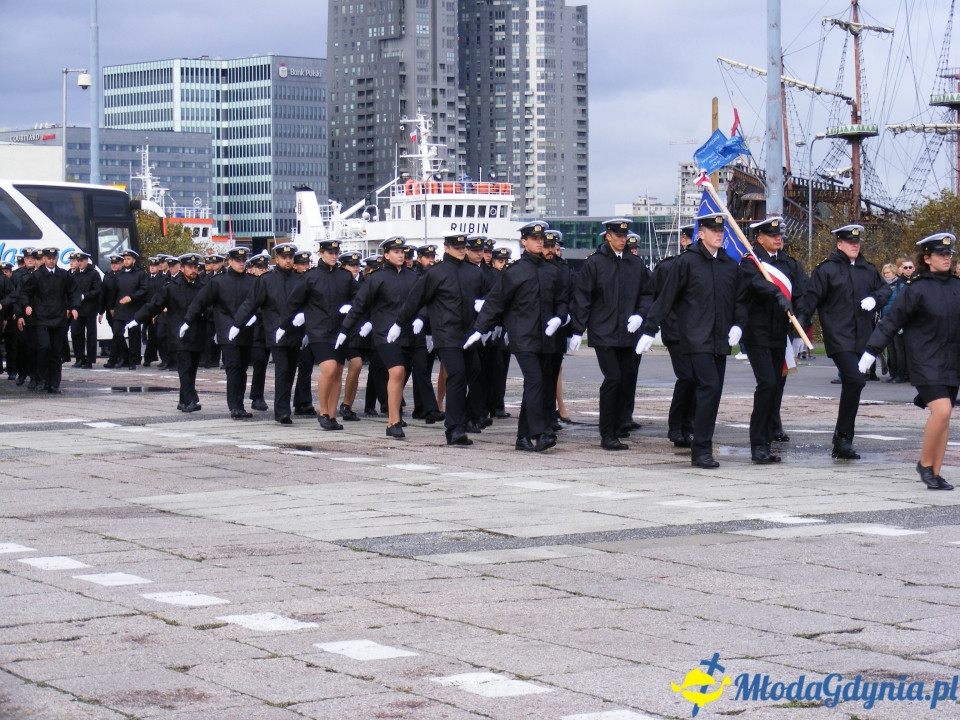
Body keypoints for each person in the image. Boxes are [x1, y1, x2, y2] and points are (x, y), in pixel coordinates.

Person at [636, 211, 740, 468]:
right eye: (713, 231)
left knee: (713, 391)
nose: (719, 235)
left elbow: (739, 299)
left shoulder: (729, 265)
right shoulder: (687, 263)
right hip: (694, 337)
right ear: (700, 234)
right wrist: (650, 329)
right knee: (709, 386)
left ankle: (703, 442)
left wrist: (739, 323)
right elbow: (667, 297)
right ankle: (701, 449)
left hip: (720, 338)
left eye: (721, 231)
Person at [859, 233, 959, 490]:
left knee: (945, 418)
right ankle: (925, 465)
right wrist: (871, 350)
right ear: (927, 258)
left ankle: (936, 473)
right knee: (943, 410)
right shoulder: (916, 289)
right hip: (925, 360)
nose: (947, 258)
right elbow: (892, 320)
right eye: (941, 254)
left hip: (952, 361)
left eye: (949, 254)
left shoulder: (956, 287)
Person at [468, 221, 568, 451]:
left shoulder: (552, 271)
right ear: (524, 241)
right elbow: (495, 302)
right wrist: (479, 329)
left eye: (541, 238)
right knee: (535, 381)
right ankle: (540, 432)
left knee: (538, 384)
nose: (539, 242)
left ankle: (522, 437)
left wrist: (559, 317)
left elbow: (562, 300)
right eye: (534, 238)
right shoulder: (515, 272)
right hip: (523, 337)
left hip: (546, 337)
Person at [803, 224, 891, 459]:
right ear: (839, 244)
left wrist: (875, 298)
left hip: (862, 337)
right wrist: (799, 330)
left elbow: (886, 290)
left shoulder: (867, 269)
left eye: (857, 242)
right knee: (854, 380)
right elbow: (810, 300)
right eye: (850, 242)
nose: (855, 246)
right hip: (838, 336)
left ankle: (842, 439)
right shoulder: (827, 270)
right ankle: (843, 439)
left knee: (856, 382)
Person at [391, 233, 485, 446]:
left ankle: (469, 416)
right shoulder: (437, 273)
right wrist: (399, 323)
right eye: (457, 247)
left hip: (469, 333)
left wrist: (486, 319)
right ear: (447, 247)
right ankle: (454, 428)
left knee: (476, 373)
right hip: (446, 333)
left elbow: (489, 297)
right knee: (458, 375)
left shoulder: (474, 273)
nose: (461, 250)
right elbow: (416, 299)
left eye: (463, 247)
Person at [569, 218, 654, 450]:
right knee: (613, 378)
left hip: (627, 332)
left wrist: (641, 314)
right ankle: (607, 433)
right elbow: (583, 298)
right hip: (603, 331)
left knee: (627, 378)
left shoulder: (635, 264)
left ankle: (618, 424)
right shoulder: (595, 264)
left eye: (625, 236)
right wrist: (578, 330)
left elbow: (647, 293)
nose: (622, 239)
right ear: (608, 236)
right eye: (618, 236)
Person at [734, 216, 808, 464]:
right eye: (772, 235)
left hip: (780, 335)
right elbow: (755, 285)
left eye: (780, 235)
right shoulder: (751, 263)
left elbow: (800, 294)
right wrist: (776, 293)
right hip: (757, 334)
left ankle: (768, 437)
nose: (778, 238)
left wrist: (799, 330)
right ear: (759, 238)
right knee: (766, 384)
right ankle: (758, 445)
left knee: (776, 387)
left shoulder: (790, 264)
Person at [341, 237, 420, 438]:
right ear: (386, 254)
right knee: (396, 371)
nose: (401, 255)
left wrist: (421, 319)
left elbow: (424, 301)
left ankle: (395, 416)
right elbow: (360, 305)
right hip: (385, 334)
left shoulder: (413, 277)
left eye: (403, 251)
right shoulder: (377, 278)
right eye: (396, 251)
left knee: (401, 375)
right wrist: (345, 329)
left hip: (408, 334)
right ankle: (393, 421)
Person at [282, 239, 357, 430]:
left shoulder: (345, 276)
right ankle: (323, 411)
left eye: (336, 253)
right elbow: (294, 301)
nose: (334, 256)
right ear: (321, 253)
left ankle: (331, 415)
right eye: (330, 253)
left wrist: (352, 305)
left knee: (338, 372)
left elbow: (359, 296)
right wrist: (284, 325)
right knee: (329, 369)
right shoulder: (310, 277)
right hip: (319, 330)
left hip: (340, 330)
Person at [184, 247, 257, 419]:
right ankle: (235, 406)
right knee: (233, 366)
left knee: (243, 369)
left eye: (243, 260)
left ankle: (239, 402)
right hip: (226, 331)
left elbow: (260, 302)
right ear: (229, 262)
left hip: (246, 330)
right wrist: (188, 320)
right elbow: (200, 301)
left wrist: (255, 317)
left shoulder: (252, 282)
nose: (241, 263)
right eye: (237, 260)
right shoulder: (218, 282)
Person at [132, 253, 207, 412]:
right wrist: (137, 319)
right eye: (190, 267)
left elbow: (210, 307)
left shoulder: (203, 287)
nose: (193, 270)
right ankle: (189, 401)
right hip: (178, 335)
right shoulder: (172, 287)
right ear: (182, 268)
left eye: (195, 267)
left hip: (197, 334)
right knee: (185, 368)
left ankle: (182, 401)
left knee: (191, 369)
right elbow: (154, 305)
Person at [16, 247, 80, 393]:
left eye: (54, 258)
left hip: (58, 318)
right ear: (44, 259)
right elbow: (25, 293)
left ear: (56, 259)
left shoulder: (63, 275)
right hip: (41, 318)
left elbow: (73, 292)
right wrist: (26, 306)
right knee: (44, 347)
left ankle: (54, 382)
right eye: (49, 258)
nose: (51, 261)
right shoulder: (37, 276)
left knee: (56, 351)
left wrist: (74, 307)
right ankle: (41, 378)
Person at [654, 223, 696, 447]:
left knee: (698, 380)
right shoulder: (668, 267)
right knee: (687, 377)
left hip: (698, 333)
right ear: (683, 241)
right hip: (676, 331)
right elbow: (657, 298)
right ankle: (677, 426)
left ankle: (689, 425)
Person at [110, 249, 148, 370]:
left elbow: (144, 290)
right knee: (117, 332)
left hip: (133, 310)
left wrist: (131, 297)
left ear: (134, 260)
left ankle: (132, 360)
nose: (126, 261)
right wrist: (111, 306)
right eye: (125, 259)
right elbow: (114, 291)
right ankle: (124, 356)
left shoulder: (140, 274)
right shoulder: (119, 274)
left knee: (133, 337)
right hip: (120, 309)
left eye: (128, 259)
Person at [69, 251, 101, 369]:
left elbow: (97, 290)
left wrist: (85, 296)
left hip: (89, 309)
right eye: (78, 261)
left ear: (87, 261)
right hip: (77, 309)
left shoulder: (93, 274)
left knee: (91, 335)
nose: (80, 263)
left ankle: (90, 360)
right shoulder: (74, 274)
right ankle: (79, 358)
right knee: (76, 333)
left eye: (82, 261)